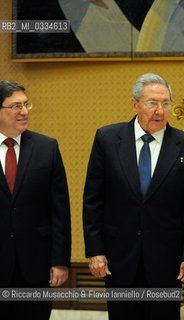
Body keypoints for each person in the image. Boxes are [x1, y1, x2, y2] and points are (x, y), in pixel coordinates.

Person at [83, 73, 184, 320]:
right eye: (152, 103)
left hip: (167, 262)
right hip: (118, 259)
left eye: (166, 103)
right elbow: (93, 201)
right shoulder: (107, 139)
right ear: (134, 104)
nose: (160, 111)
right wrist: (95, 251)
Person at [0, 80, 71, 319]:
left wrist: (60, 261)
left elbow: (59, 210)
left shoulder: (47, 147)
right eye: (15, 106)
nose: (24, 111)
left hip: (36, 265)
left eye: (26, 104)